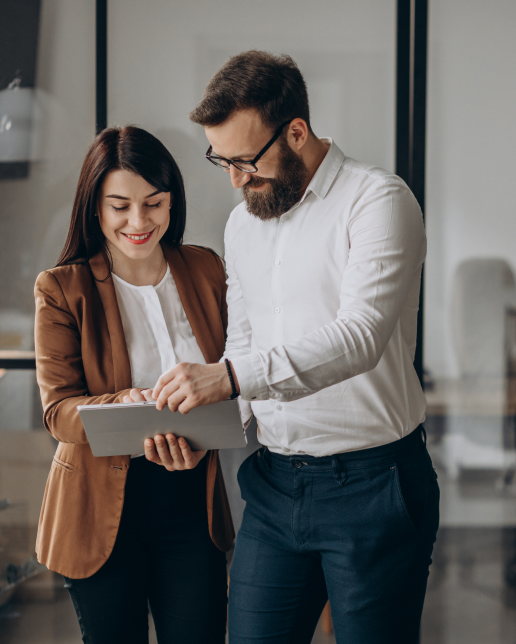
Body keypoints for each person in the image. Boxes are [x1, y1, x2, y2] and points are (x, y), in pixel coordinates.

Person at [146, 50, 440, 643]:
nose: (234, 179)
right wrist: (206, 426)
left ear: (297, 132)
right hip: (276, 486)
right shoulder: (244, 223)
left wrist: (228, 378)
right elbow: (246, 338)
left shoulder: (378, 202)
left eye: (245, 161)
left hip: (374, 484)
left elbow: (359, 337)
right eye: (220, 161)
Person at [33, 125, 234, 644]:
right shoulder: (62, 288)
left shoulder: (206, 269)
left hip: (192, 504)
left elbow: (238, 373)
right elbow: (58, 413)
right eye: (119, 206)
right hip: (99, 512)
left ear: (172, 202)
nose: (139, 221)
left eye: (154, 203)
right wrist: (124, 403)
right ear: (94, 207)